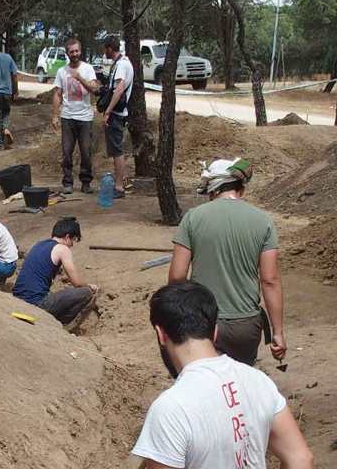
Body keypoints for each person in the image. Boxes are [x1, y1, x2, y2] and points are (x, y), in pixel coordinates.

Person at [131, 282, 315, 469]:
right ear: (215, 331)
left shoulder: (169, 409)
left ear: (161, 334)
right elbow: (301, 458)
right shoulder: (258, 380)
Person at [167, 158, 286, 367]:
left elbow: (177, 277)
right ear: (241, 189)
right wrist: (278, 332)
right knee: (238, 379)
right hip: (246, 326)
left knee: (206, 380)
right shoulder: (263, 221)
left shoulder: (193, 218)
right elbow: (270, 280)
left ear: (212, 190)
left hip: (204, 322)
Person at [13, 217, 100, 330]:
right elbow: (77, 283)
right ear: (67, 237)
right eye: (73, 240)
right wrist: (90, 286)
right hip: (36, 303)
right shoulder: (63, 249)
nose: (72, 245)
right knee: (86, 292)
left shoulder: (39, 244)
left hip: (17, 299)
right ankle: (63, 324)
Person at [51, 38, 101, 195]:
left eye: (76, 51)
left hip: (85, 118)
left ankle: (86, 182)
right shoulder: (61, 71)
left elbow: (94, 89)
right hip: (67, 117)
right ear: (67, 53)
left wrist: (80, 78)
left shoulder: (88, 69)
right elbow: (57, 94)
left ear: (80, 51)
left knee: (86, 152)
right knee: (66, 152)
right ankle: (67, 182)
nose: (74, 54)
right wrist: (55, 116)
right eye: (71, 51)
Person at [101, 37, 133, 198]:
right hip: (118, 113)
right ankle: (120, 183)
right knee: (116, 150)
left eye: (104, 49)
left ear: (109, 48)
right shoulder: (123, 63)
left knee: (117, 151)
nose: (104, 53)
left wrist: (108, 111)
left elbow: (119, 89)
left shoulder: (121, 65)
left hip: (116, 114)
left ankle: (119, 187)